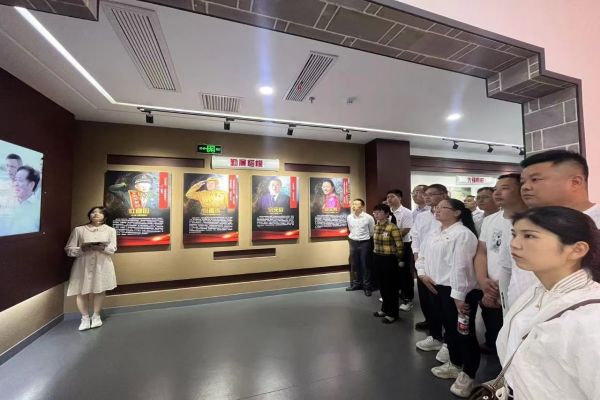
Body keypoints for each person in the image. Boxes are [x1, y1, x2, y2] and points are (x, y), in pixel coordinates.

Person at [496, 206, 600, 400]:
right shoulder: (537, 291)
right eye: (514, 234)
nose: (514, 244)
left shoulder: (591, 318)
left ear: (577, 249)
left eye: (529, 236)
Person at [508, 150, 600, 308]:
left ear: (575, 182)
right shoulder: (524, 224)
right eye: (523, 182)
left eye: (535, 179)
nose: (525, 187)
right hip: (524, 314)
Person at [416, 199, 480, 398]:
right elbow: (422, 256)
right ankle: (455, 363)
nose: (437, 210)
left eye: (443, 207)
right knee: (449, 329)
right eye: (437, 207)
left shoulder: (463, 234)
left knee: (464, 333)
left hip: (459, 291)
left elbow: (462, 268)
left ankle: (468, 374)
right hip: (436, 287)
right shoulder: (435, 232)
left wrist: (459, 297)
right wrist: (422, 274)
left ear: (457, 212)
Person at [474, 174, 527, 355]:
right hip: (491, 286)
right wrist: (483, 281)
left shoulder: (533, 221)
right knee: (495, 331)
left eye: (504, 188)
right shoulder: (490, 220)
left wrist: (504, 286)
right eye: (495, 189)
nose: (497, 193)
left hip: (519, 291)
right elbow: (482, 252)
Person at [65, 206, 117, 331]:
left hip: (102, 264)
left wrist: (102, 247)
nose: (96, 214)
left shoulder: (110, 230)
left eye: (100, 213)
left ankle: (96, 316)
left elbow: (113, 249)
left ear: (105, 216)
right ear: (89, 215)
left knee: (100, 290)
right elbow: (69, 249)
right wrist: (82, 249)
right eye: (93, 212)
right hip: (83, 263)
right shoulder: (79, 230)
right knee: (81, 291)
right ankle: (84, 318)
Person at [411, 184, 446, 344]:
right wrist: (417, 259)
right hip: (423, 263)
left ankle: (446, 338)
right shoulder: (421, 216)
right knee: (425, 299)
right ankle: (433, 331)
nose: (426, 196)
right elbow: (416, 238)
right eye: (425, 194)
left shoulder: (449, 214)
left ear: (444, 195)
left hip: (442, 265)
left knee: (442, 301)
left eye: (431, 194)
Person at [371, 203, 403, 324]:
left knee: (391, 287)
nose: (376, 214)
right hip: (377, 257)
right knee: (382, 286)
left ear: (387, 214)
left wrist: (400, 259)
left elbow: (399, 245)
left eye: (379, 212)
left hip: (389, 259)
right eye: (375, 212)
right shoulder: (376, 226)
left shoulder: (392, 227)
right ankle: (384, 309)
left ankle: (393, 313)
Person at [386, 189, 414, 311]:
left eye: (392, 196)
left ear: (400, 198)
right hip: (389, 247)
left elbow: (405, 230)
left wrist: (388, 238)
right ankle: (394, 295)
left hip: (403, 246)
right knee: (392, 272)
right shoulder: (387, 212)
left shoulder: (406, 212)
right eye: (388, 197)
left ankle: (408, 299)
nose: (389, 199)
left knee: (405, 274)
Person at [346, 198, 375, 296]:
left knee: (365, 265)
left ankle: (367, 287)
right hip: (353, 242)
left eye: (356, 204)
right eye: (353, 204)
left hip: (365, 243)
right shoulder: (349, 217)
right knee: (354, 264)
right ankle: (356, 284)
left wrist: (364, 239)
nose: (353, 206)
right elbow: (350, 229)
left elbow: (371, 232)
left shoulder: (369, 218)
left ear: (362, 206)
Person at [2, 165, 41, 235]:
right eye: (15, 180)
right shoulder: (6, 203)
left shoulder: (39, 208)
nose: (15, 184)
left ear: (31, 185)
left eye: (20, 180)